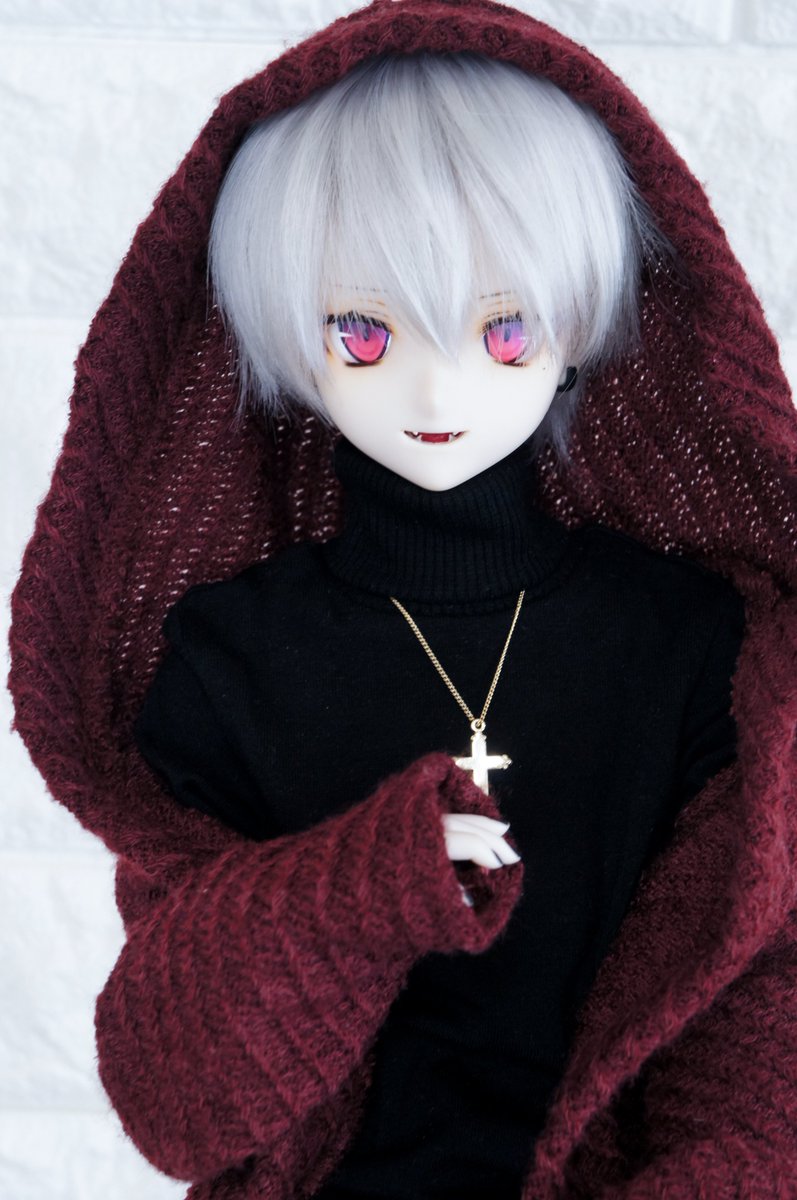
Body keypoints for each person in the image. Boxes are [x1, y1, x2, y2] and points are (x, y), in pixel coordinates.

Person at [7, 2, 796, 1198]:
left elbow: (757, 1004)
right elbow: (177, 1099)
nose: (437, 389)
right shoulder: (228, 657)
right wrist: (364, 887)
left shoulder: (698, 643)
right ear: (287, 334)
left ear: (581, 319)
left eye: (503, 328)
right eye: (365, 332)